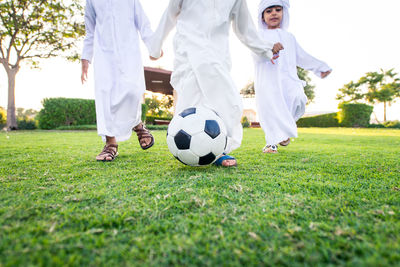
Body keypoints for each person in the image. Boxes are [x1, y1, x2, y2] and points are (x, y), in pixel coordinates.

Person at [149, 0, 283, 167]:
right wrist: (155, 46)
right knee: (191, 97)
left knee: (226, 100)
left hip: (218, 53)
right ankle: (194, 151)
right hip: (188, 47)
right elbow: (169, 14)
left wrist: (266, 48)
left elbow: (245, 28)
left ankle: (220, 149)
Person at [81, 0, 156, 161]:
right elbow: (90, 31)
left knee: (133, 91)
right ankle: (110, 144)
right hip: (104, 56)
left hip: (129, 53)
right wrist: (85, 58)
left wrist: (153, 46)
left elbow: (143, 23)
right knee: (105, 97)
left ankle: (137, 124)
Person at [254, 0, 332, 153]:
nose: (274, 13)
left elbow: (302, 56)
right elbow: (255, 52)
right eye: (269, 11)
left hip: (289, 79)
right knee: (271, 110)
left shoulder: (289, 37)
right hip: (268, 80)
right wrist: (269, 50)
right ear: (262, 16)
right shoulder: (258, 35)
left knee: (299, 99)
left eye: (278, 10)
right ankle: (271, 144)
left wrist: (320, 67)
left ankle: (285, 128)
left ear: (284, 13)